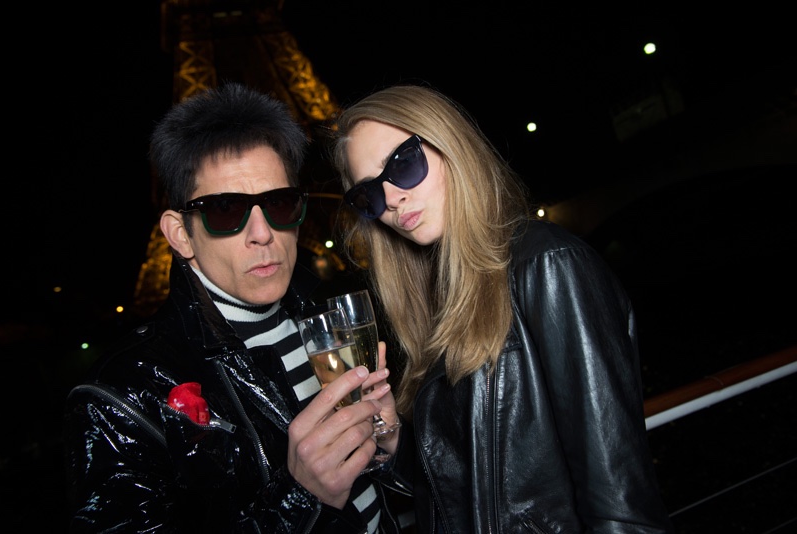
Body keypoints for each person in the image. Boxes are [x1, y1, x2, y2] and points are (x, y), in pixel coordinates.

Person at [63, 82, 410, 533]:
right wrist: (298, 497)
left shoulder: (331, 324)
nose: (262, 234)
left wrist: (386, 444)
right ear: (180, 234)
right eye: (226, 211)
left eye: (280, 203)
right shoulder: (120, 397)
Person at [329, 83, 674, 533]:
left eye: (403, 163)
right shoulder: (445, 298)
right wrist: (394, 437)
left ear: (451, 144)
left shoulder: (548, 266)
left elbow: (620, 507)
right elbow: (467, 489)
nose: (391, 198)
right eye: (368, 194)